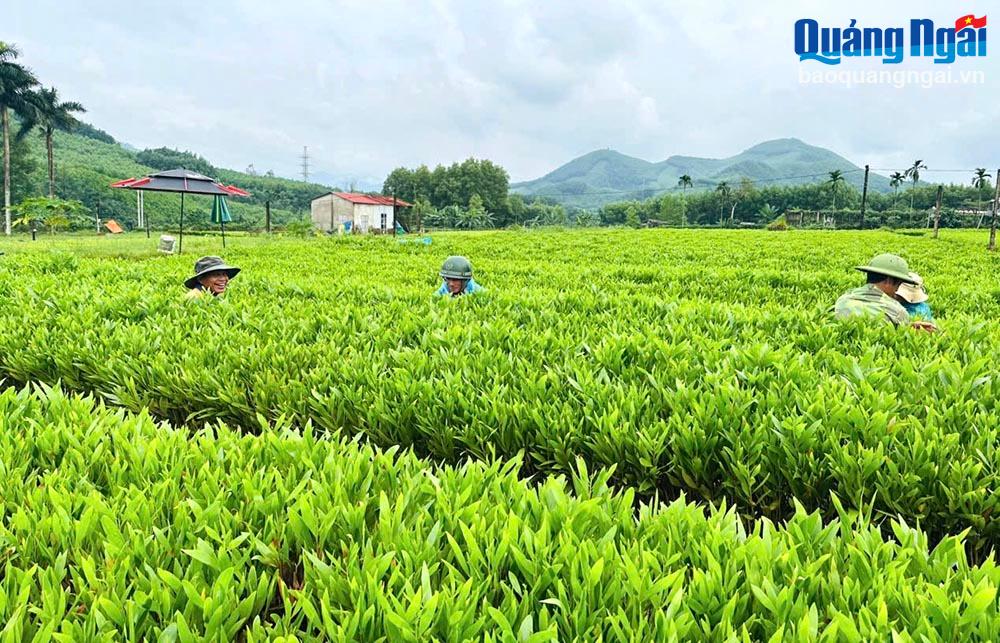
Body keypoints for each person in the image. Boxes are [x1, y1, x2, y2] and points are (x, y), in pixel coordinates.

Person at [833, 253, 935, 330]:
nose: (896, 291)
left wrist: (910, 326)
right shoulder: (896, 311)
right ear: (889, 281)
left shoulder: (842, 299)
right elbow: (898, 337)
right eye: (898, 285)